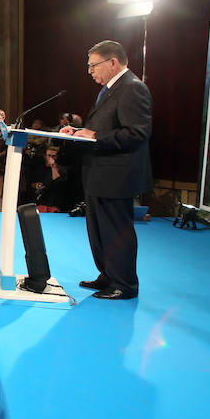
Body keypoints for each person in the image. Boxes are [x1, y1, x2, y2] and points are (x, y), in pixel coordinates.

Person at [60, 40, 152, 300]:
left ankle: (124, 284)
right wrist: (79, 133)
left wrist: (95, 135)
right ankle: (108, 275)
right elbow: (103, 127)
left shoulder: (133, 88)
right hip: (99, 172)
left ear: (113, 62)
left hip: (117, 175)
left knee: (115, 230)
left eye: (93, 66)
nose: (90, 72)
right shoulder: (112, 89)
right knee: (98, 229)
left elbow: (137, 133)